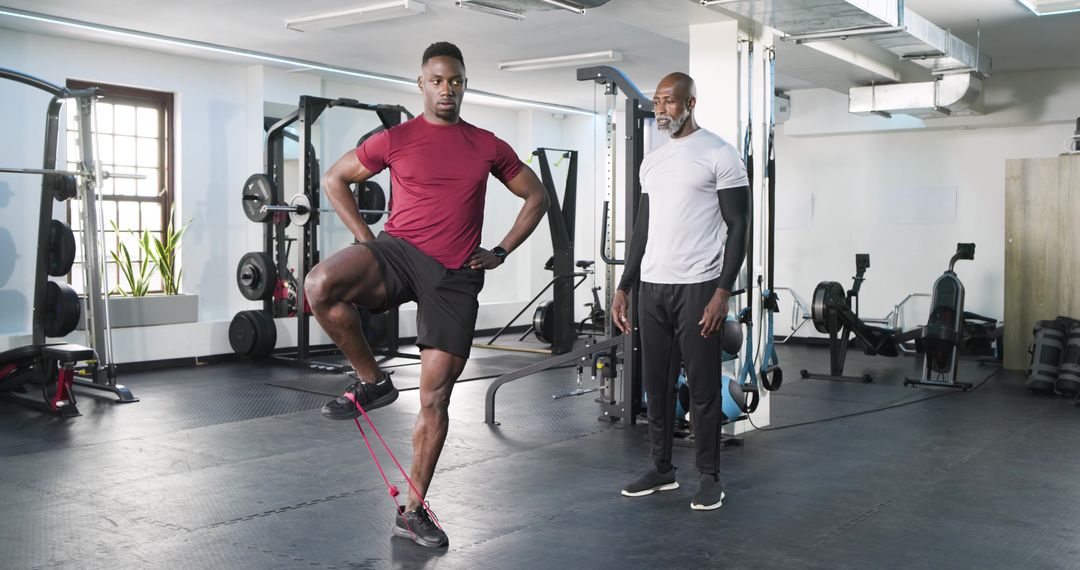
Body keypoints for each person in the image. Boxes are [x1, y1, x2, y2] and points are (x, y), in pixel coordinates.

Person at [306, 41, 549, 547]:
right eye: (437, 80)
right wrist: (369, 241)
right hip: (398, 251)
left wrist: (501, 250)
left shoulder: (487, 144)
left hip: (454, 275)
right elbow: (335, 179)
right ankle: (373, 381)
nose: (446, 88)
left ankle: (412, 510)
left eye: (455, 80)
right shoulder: (395, 138)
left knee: (435, 397)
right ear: (421, 84)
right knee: (319, 285)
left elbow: (536, 195)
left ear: (464, 85)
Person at [610, 72, 750, 511]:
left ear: (690, 103)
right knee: (657, 385)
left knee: (705, 389)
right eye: (656, 102)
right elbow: (642, 228)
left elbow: (739, 225)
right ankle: (662, 469)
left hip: (699, 287)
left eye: (668, 101)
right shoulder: (652, 161)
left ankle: (709, 477)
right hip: (652, 287)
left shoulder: (720, 154)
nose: (660, 109)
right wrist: (625, 285)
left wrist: (722, 291)